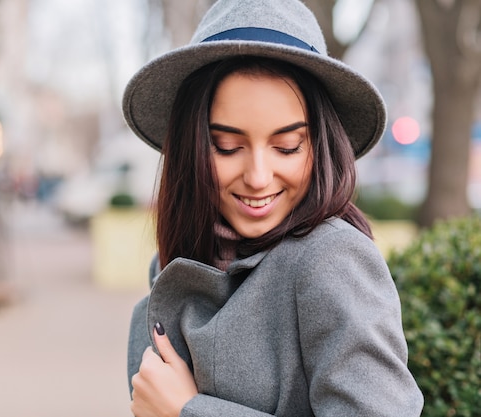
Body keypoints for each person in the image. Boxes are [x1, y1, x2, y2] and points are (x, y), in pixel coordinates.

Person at [122, 0, 424, 416]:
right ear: (190, 147)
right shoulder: (181, 261)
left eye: (286, 147)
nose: (259, 176)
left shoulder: (330, 260)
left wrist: (188, 410)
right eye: (227, 147)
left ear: (318, 146)